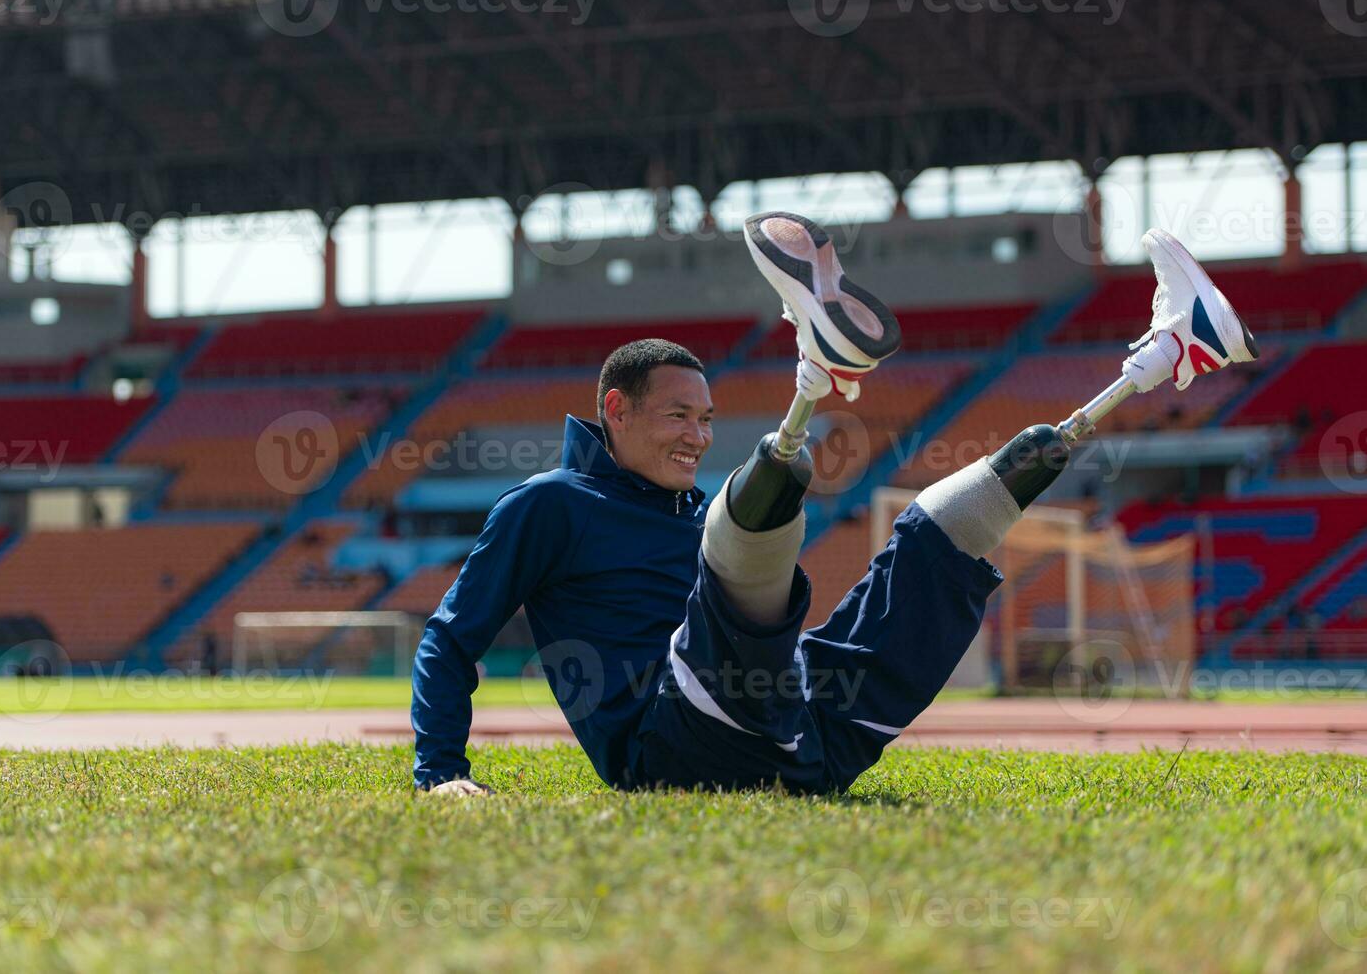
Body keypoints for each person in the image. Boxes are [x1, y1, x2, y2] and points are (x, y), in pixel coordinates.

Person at [412, 215, 1260, 795]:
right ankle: (809, 380)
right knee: (734, 571)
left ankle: (1146, 368)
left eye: (707, 420)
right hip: (668, 743)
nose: (697, 437)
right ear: (616, 410)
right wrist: (440, 773)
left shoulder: (685, 510)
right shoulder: (549, 505)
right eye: (678, 415)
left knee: (929, 549)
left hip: (796, 748)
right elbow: (451, 637)